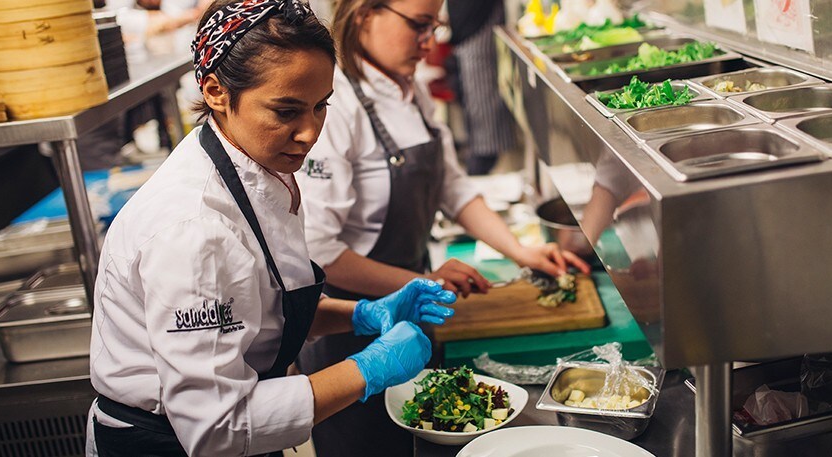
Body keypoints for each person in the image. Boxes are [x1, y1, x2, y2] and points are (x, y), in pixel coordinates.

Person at [85, 1, 455, 455]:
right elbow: (217, 427)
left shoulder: (251, 165)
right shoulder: (194, 232)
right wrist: (367, 370)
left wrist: (359, 313)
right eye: (286, 111)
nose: (309, 133)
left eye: (321, 107)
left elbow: (256, 308)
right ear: (216, 92)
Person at [295, 0, 591, 455]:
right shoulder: (337, 107)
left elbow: (453, 185)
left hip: (416, 309)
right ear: (365, 14)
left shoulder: (412, 91)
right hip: (350, 331)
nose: (430, 42)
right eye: (418, 26)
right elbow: (323, 251)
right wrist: (423, 282)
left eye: (436, 26)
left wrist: (521, 252)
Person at [446, 0, 517, 175]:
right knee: (476, 114)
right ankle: (477, 169)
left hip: (477, 30)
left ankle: (479, 169)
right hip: (466, 34)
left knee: (485, 123)